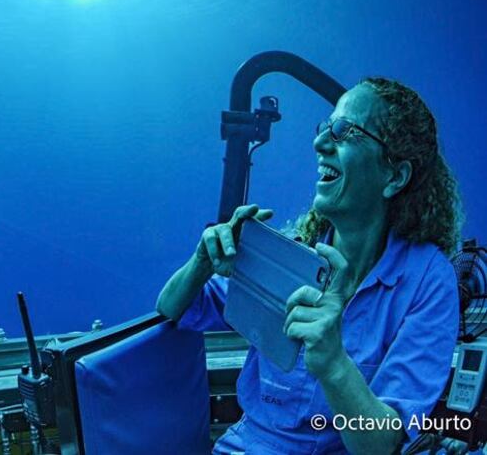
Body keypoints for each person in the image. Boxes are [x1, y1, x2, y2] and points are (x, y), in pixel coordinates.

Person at [157, 77, 464, 454]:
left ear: (394, 176)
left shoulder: (428, 282)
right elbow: (172, 307)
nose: (320, 143)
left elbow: (381, 446)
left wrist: (334, 364)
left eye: (345, 131)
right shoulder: (289, 253)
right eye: (324, 128)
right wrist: (200, 262)